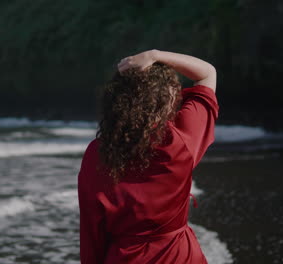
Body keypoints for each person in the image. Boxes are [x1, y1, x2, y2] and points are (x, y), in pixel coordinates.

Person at [77, 49, 219, 263]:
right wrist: (155, 55)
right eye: (174, 94)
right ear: (163, 101)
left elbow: (92, 230)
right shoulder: (180, 141)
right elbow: (206, 73)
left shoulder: (97, 154)